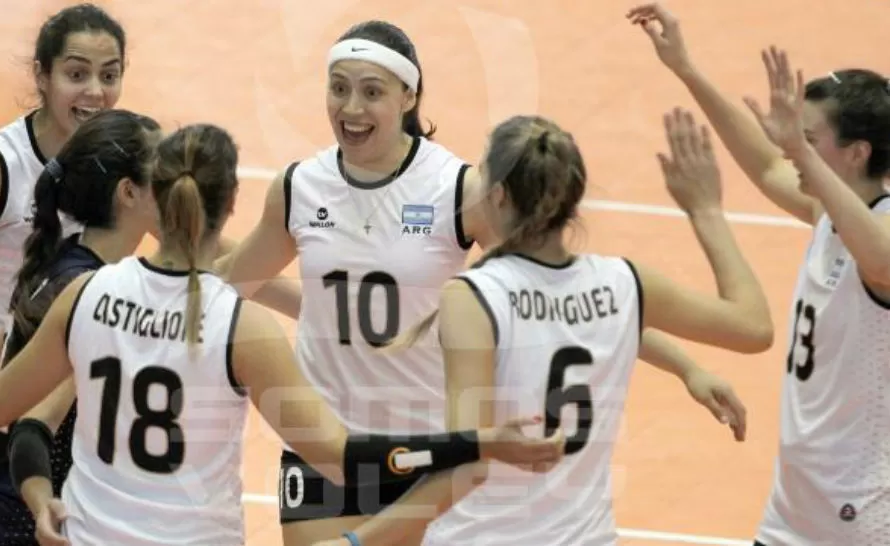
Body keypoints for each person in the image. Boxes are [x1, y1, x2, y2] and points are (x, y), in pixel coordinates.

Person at [220, 19, 744, 545]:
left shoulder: (457, 190)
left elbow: (552, 295)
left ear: (408, 96)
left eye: (371, 92)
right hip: (324, 441)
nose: (350, 109)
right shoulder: (299, 188)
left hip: (426, 445)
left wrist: (686, 367)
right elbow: (231, 286)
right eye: (339, 88)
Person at [0, 121, 567, 546]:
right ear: (231, 206)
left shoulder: (90, 296)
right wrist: (474, 443)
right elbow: (342, 459)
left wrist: (38, 497)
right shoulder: (240, 327)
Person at [318, 113, 769, 546]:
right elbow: (752, 327)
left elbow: (465, 465)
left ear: (496, 195)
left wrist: (356, 541)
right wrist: (706, 210)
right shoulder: (623, 283)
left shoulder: (476, 297)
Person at [630, 4, 890, 544]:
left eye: (809, 138)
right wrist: (686, 68)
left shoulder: (878, 234)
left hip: (860, 515)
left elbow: (881, 263)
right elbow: (770, 166)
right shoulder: (829, 211)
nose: (791, 144)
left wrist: (795, 150)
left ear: (857, 153)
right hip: (795, 504)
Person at [0, 3, 128, 499]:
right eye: (77, 74)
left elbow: (209, 253)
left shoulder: (125, 158)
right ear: (42, 74)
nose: (96, 92)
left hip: (84, 409)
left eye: (109, 74)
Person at [0, 108, 161, 546]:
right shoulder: (92, 293)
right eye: (166, 167)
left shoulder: (60, 260)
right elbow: (11, 408)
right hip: (26, 526)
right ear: (129, 192)